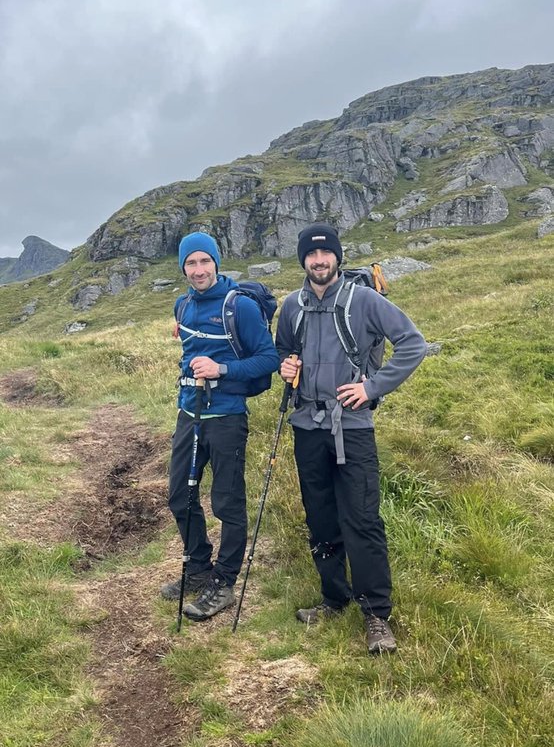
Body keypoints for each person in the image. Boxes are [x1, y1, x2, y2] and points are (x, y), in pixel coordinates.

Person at [275, 222, 427, 654]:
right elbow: (283, 351)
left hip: (353, 429)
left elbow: (413, 344)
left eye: (325, 254)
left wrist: (372, 388)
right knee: (321, 519)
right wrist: (285, 368)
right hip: (307, 428)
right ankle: (334, 598)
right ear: (303, 259)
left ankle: (376, 615)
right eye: (311, 255)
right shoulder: (292, 305)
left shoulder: (364, 300)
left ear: (337, 258)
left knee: (362, 520)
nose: (319, 261)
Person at [161, 231, 280, 620]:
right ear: (183, 268)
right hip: (189, 414)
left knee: (227, 502)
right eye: (190, 263)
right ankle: (197, 568)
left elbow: (269, 358)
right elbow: (191, 351)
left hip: (227, 416)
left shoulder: (238, 307)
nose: (198, 270)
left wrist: (222, 368)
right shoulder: (182, 306)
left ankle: (224, 582)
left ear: (217, 261)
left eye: (204, 261)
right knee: (180, 495)